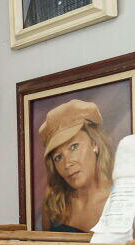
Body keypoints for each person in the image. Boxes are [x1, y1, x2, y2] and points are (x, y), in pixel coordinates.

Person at [39, 98, 115, 233]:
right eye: (58, 157)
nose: (67, 163)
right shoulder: (54, 202)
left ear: (94, 143)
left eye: (73, 146)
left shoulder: (124, 198)